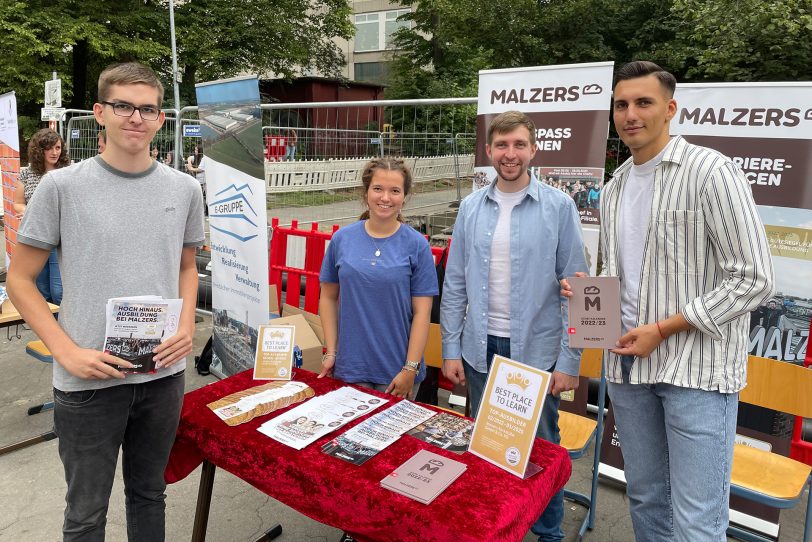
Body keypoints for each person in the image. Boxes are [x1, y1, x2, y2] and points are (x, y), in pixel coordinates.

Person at [562, 61, 774, 541]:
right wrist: (589, 292)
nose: (630, 113)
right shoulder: (614, 187)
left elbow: (755, 279)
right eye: (621, 104)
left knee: (698, 520)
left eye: (643, 102)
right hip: (629, 371)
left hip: (694, 372)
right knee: (646, 500)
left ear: (670, 109)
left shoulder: (711, 172)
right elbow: (627, 275)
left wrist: (664, 328)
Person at [7, 61, 205, 541]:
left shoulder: (184, 189)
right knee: (86, 514)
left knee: (149, 494)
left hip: (161, 374)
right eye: (123, 106)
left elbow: (185, 267)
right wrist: (66, 350)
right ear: (100, 112)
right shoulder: (61, 187)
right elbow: (20, 280)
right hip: (88, 379)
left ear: (161, 118)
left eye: (147, 108)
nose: (135, 117)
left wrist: (185, 328)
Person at [441, 110, 587, 542]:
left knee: (541, 450)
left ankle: (549, 533)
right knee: (487, 445)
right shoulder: (471, 208)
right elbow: (455, 284)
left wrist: (570, 359)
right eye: (502, 145)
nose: (510, 154)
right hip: (480, 348)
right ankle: (493, 526)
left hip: (537, 351)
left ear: (533, 149)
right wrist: (450, 348)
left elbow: (579, 287)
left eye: (519, 145)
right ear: (489, 151)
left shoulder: (559, 207)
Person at [318, 157, 438, 399]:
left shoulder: (417, 245)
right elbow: (328, 298)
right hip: (350, 367)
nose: (385, 198)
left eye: (395, 190)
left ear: (405, 196)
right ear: (366, 193)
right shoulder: (342, 240)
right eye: (378, 189)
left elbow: (422, 313)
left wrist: (410, 368)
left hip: (397, 373)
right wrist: (331, 352)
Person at [13, 128, 70, 304]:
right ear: (39, 150)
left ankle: (61, 326)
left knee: (58, 290)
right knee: (40, 287)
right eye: (50, 148)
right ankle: (45, 327)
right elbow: (18, 203)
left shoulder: (68, 172)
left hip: (59, 238)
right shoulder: (27, 173)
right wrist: (27, 213)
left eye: (58, 148)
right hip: (34, 236)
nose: (55, 152)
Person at [186, 144, 206, 214]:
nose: (195, 151)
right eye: (195, 150)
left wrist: (191, 168)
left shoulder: (204, 158)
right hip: (199, 180)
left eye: (196, 150)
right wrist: (189, 163)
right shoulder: (197, 157)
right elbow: (189, 158)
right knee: (200, 197)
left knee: (204, 197)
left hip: (204, 181)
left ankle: (204, 212)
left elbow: (200, 169)